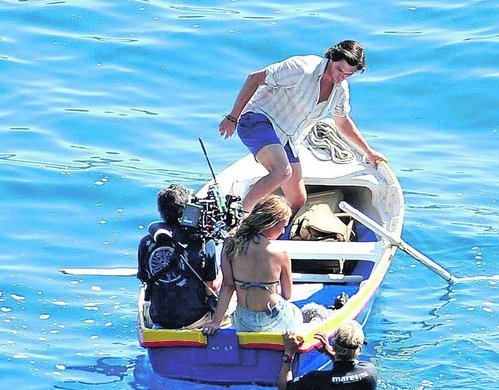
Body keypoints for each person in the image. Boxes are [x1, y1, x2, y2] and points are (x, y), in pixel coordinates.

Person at [219, 39, 388, 214]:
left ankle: (265, 231)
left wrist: (368, 152)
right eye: (339, 69)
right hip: (258, 120)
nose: (342, 76)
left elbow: (343, 122)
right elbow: (254, 78)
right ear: (332, 58)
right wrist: (232, 117)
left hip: (288, 138)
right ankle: (238, 215)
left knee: (297, 200)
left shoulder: (340, 91)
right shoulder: (302, 68)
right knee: (282, 172)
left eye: (348, 74)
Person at [201, 195, 302, 336]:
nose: (283, 232)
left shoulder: (230, 243)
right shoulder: (281, 254)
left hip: (244, 321)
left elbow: (228, 286)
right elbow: (287, 294)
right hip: (274, 319)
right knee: (297, 313)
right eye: (283, 226)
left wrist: (215, 323)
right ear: (271, 223)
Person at [137, 184, 220, 329]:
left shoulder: (146, 242)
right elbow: (210, 288)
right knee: (228, 292)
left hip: (159, 317)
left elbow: (145, 279)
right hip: (195, 320)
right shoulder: (204, 242)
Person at [278, 320, 377, 390]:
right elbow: (346, 372)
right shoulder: (370, 371)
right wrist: (330, 352)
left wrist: (289, 353)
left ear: (334, 345)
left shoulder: (316, 379)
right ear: (359, 349)